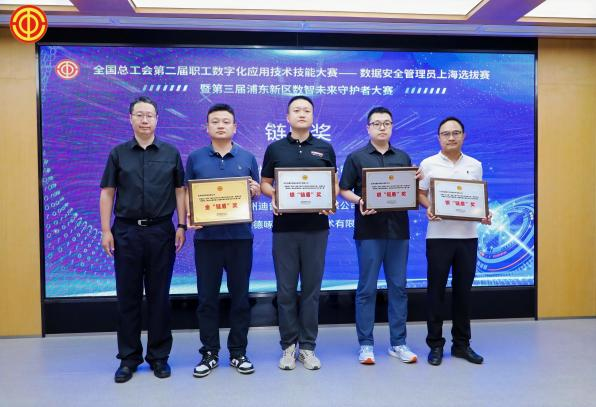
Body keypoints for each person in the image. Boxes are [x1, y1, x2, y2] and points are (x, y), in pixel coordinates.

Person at [100, 96, 187, 383]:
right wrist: (106, 230)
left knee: (159, 296)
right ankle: (128, 358)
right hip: (126, 232)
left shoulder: (171, 152)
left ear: (157, 119)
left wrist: (182, 225)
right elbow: (107, 192)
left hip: (162, 231)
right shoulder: (118, 154)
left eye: (149, 115)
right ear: (130, 119)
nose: (145, 120)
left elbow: (180, 191)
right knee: (128, 296)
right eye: (139, 115)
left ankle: (159, 357)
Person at [260, 95, 338, 370]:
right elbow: (265, 183)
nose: (302, 114)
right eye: (296, 110)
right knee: (285, 291)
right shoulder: (275, 148)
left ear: (313, 117)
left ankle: (307, 347)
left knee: (311, 291)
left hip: (316, 229)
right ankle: (288, 347)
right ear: (287, 117)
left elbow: (333, 183)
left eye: (306, 110)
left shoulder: (324, 148)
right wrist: (275, 196)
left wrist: (330, 200)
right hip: (284, 229)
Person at [185, 103, 261, 377]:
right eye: (215, 121)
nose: (220, 125)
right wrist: (190, 216)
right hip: (207, 239)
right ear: (206, 127)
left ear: (234, 127)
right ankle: (209, 352)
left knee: (240, 298)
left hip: (240, 239)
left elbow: (254, 195)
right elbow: (187, 192)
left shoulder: (248, 157)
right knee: (207, 298)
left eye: (226, 121)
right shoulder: (195, 158)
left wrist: (255, 191)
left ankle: (238, 352)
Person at [339, 107, 418, 365]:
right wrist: (360, 201)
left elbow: (410, 191)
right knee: (366, 288)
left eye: (387, 123)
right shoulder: (356, 157)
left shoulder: (403, 157)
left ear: (392, 127)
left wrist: (416, 181)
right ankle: (366, 344)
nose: (382, 127)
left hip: (398, 231)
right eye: (377, 123)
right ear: (368, 128)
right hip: (369, 231)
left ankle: (398, 343)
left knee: (399, 287)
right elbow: (343, 189)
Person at [417, 116, 492, 366]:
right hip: (438, 237)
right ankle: (435, 345)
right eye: (446, 133)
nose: (451, 137)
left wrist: (484, 214)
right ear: (438, 138)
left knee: (463, 293)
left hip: (468, 237)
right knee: (435, 292)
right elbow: (420, 193)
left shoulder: (475, 165)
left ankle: (462, 344)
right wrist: (430, 206)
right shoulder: (428, 164)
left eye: (456, 133)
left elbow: (477, 199)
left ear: (463, 136)